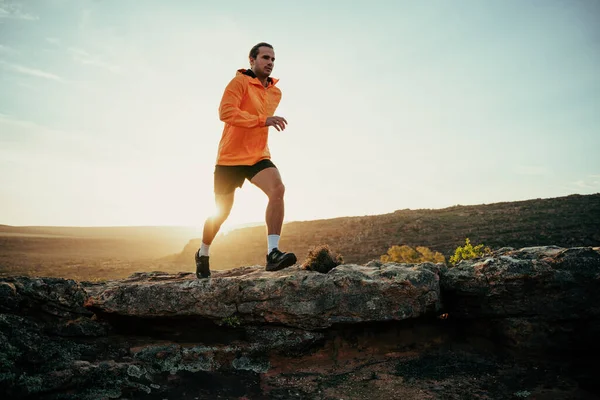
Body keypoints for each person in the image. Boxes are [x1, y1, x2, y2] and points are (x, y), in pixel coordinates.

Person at [195, 42, 297, 279]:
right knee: (221, 213)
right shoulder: (239, 82)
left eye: (273, 59)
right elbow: (226, 113)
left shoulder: (275, 92)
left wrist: (264, 122)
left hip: (258, 155)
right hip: (230, 158)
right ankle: (203, 252)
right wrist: (263, 120)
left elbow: (261, 118)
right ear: (252, 60)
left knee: (277, 189)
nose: (270, 62)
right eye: (265, 58)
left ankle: (273, 254)